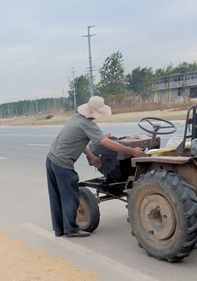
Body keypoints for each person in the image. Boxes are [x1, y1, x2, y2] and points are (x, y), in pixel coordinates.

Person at [46, 96, 147, 238]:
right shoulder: (88, 125)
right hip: (62, 163)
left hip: (51, 160)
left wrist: (93, 157)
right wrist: (132, 151)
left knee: (56, 195)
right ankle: (71, 230)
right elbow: (106, 143)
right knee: (70, 195)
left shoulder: (75, 118)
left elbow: (79, 143)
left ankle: (59, 229)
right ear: (96, 113)